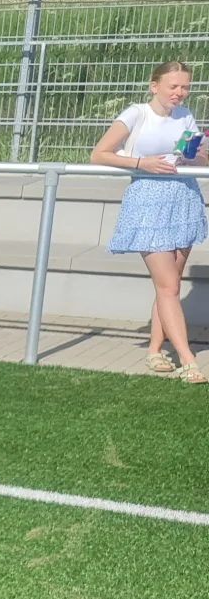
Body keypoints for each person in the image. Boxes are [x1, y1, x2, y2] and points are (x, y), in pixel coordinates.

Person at [92, 60, 205, 380]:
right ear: (154, 86)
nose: (179, 92)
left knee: (169, 285)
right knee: (168, 285)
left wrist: (196, 153)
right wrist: (142, 163)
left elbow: (196, 156)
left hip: (183, 199)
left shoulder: (185, 116)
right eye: (173, 86)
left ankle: (155, 350)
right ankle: (187, 359)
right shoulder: (136, 113)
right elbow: (99, 154)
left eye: (185, 87)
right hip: (148, 201)